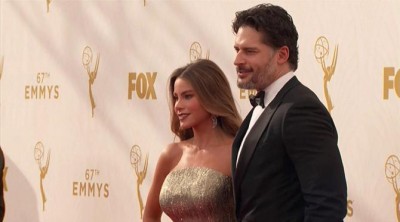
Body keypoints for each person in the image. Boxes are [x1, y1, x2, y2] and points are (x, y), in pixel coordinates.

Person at [231, 3, 347, 222]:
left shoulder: (300, 110)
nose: (237, 60)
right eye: (237, 50)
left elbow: (327, 207)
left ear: (282, 54)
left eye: (249, 51)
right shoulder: (264, 106)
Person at [143, 59, 242, 222]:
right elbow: (150, 216)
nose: (177, 106)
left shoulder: (237, 152)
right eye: (176, 98)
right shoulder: (171, 154)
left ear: (211, 97)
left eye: (187, 96)